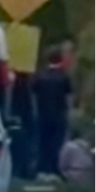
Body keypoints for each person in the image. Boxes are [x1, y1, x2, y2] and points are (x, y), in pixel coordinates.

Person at [30, 45, 74, 181]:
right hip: (59, 115)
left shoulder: (40, 76)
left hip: (43, 114)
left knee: (43, 142)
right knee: (56, 143)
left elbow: (33, 95)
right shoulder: (64, 77)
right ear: (60, 60)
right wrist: (69, 112)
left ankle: (41, 168)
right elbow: (69, 98)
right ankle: (54, 169)